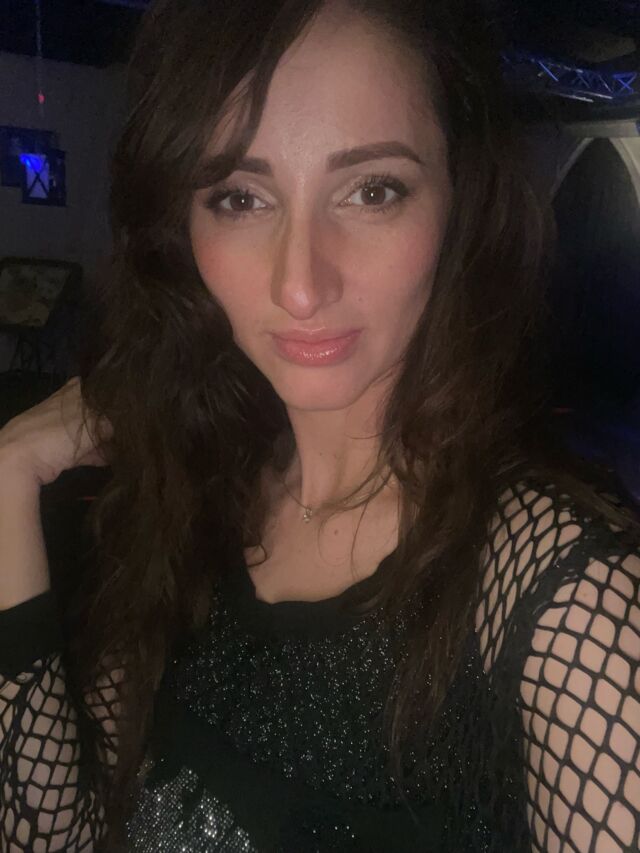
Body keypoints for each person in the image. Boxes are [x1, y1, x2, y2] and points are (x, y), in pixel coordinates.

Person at [0, 0, 638, 850]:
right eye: (240, 197)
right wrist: (7, 476)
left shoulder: (573, 602)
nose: (300, 285)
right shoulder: (201, 491)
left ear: (460, 201)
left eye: (373, 190)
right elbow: (63, 837)